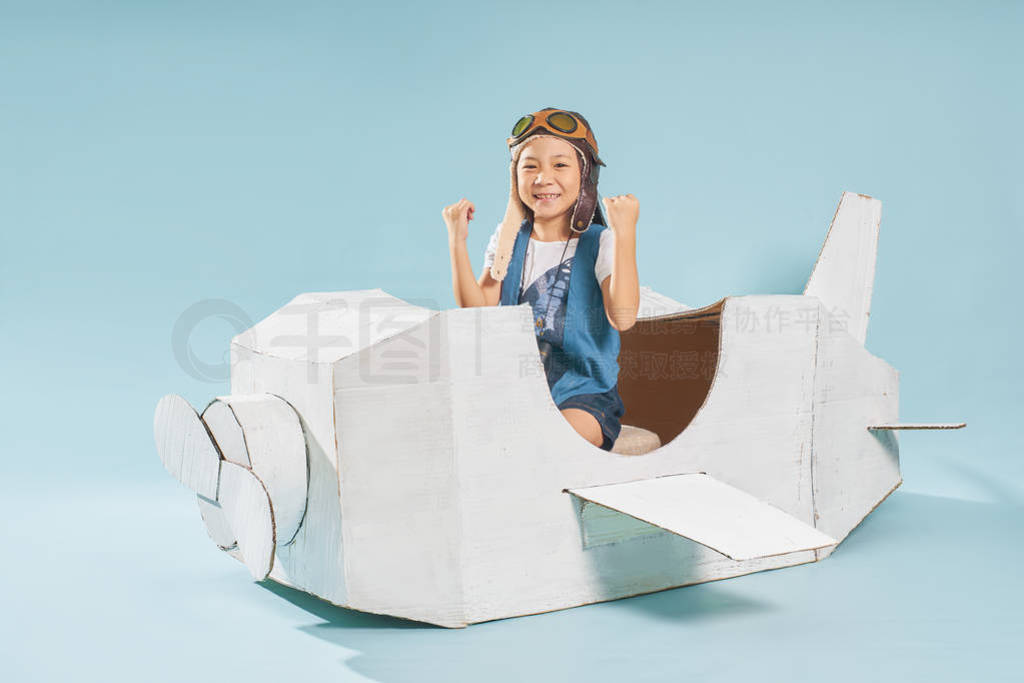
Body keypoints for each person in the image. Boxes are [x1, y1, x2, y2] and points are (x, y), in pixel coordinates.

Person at [444, 107, 639, 450]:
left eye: (560, 165)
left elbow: (622, 317)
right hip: (515, 389)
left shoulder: (598, 243)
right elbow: (477, 309)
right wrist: (456, 241)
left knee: (548, 444)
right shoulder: (508, 240)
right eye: (530, 166)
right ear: (514, 176)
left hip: (583, 396)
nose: (542, 178)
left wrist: (625, 235)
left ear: (584, 173)